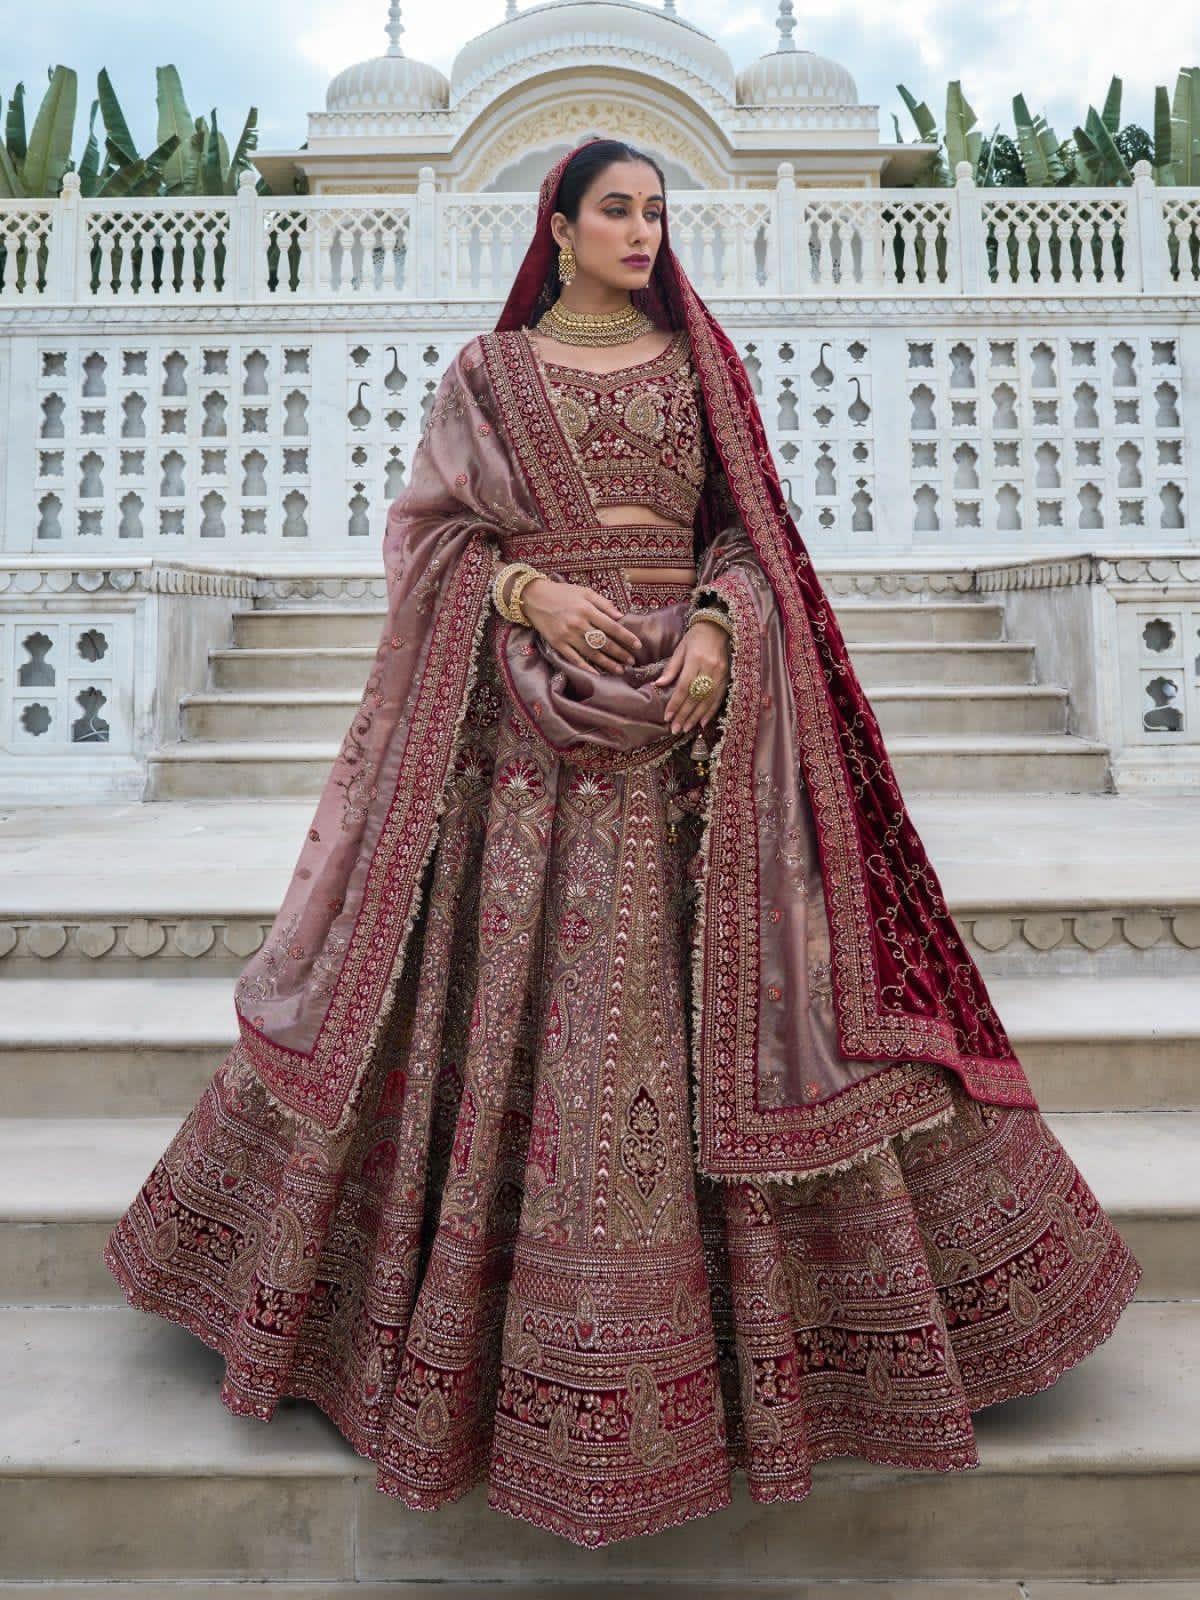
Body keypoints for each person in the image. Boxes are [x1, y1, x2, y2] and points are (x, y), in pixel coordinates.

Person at [105, 137, 1142, 1549]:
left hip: (693, 742)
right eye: (617, 209)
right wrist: (524, 594)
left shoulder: (702, 367)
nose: (644, 231)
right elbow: (430, 542)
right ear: (560, 225)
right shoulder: (489, 374)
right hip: (526, 745)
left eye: (657, 210)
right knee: (502, 1013)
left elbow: (752, 541)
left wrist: (718, 629)